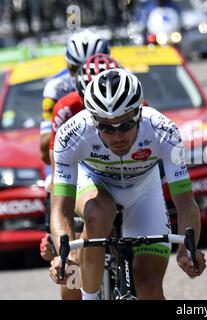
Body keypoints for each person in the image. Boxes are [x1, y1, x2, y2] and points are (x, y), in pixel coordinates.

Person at [49, 68, 206, 300]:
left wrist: (187, 250)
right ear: (93, 120)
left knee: (149, 288)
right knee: (98, 211)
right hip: (94, 183)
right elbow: (61, 207)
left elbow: (186, 203)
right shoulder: (71, 135)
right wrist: (65, 253)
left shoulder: (164, 131)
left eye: (125, 125)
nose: (117, 136)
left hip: (144, 191)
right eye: (105, 127)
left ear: (139, 114)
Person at [40, 53, 121, 300]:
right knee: (71, 264)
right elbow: (57, 171)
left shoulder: (136, 104)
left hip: (120, 178)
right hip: (81, 178)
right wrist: (51, 233)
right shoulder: (66, 108)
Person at [40, 29, 110, 165]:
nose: (85, 76)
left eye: (95, 68)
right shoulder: (55, 88)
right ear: (67, 65)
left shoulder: (125, 79)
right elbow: (44, 153)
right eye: (75, 69)